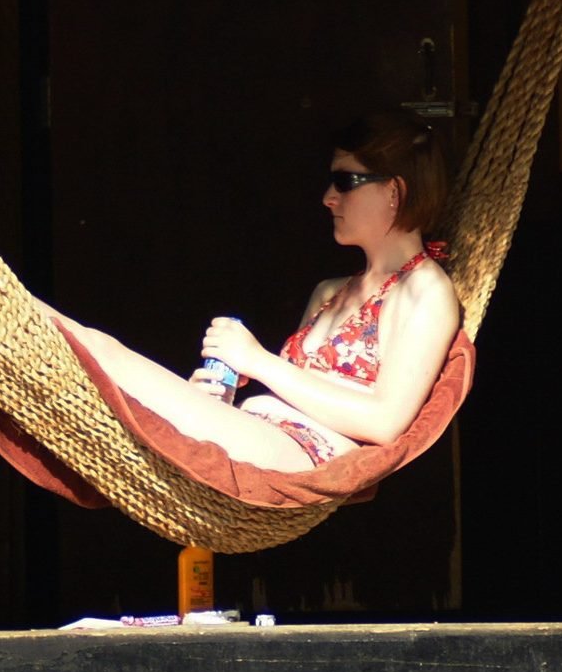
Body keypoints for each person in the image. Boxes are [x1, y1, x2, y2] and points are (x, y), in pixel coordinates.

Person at [64, 107, 464, 474]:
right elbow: (296, 393)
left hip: (305, 458)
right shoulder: (331, 292)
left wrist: (257, 361)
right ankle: (12, 316)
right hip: (261, 433)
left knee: (102, 353)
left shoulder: (425, 290)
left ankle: (12, 311)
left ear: (394, 191)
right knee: (97, 359)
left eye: (345, 181)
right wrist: (217, 397)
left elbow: (385, 422)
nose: (328, 198)